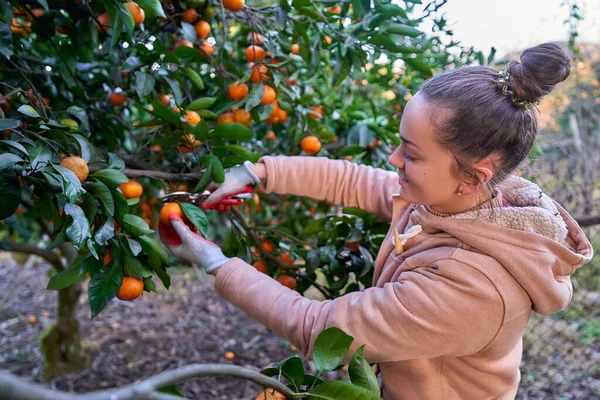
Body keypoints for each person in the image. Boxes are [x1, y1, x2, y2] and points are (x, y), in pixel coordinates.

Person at [158, 42, 594, 399]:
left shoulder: (475, 287)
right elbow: (354, 180)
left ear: (472, 177)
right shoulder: (453, 201)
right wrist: (258, 172)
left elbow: (320, 328)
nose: (393, 160)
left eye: (412, 154)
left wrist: (215, 262)